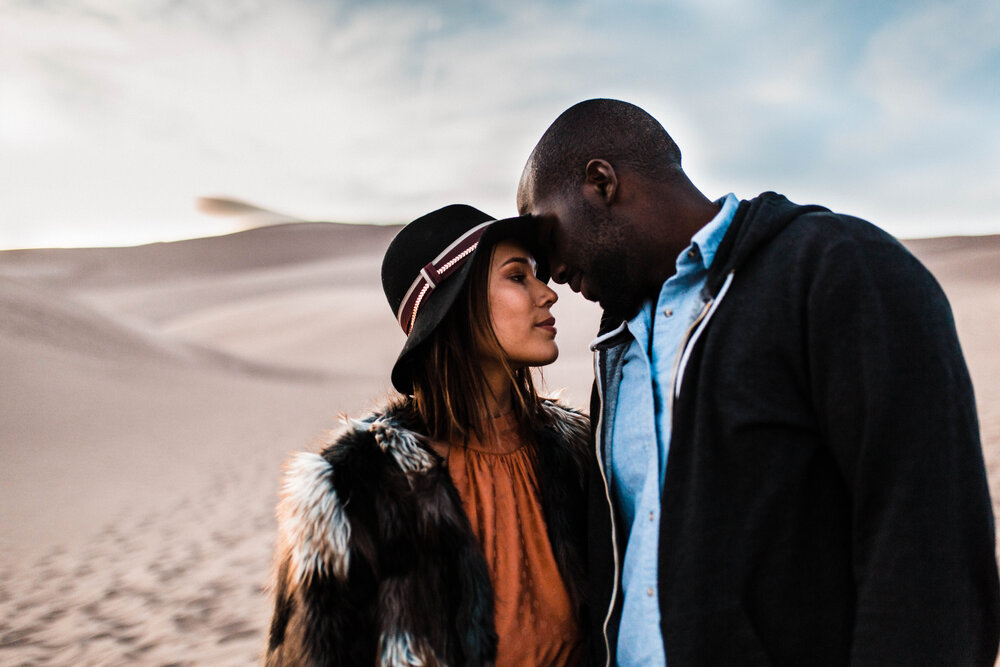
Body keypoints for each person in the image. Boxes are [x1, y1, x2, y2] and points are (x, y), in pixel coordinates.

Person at [516, 98, 1000, 666]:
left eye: (547, 238)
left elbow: (930, 555)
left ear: (602, 182)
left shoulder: (840, 268)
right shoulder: (617, 351)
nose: (550, 274)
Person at [264, 204, 590, 666]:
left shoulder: (577, 451)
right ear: (456, 305)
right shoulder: (355, 486)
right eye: (518, 277)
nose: (548, 294)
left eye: (538, 274)